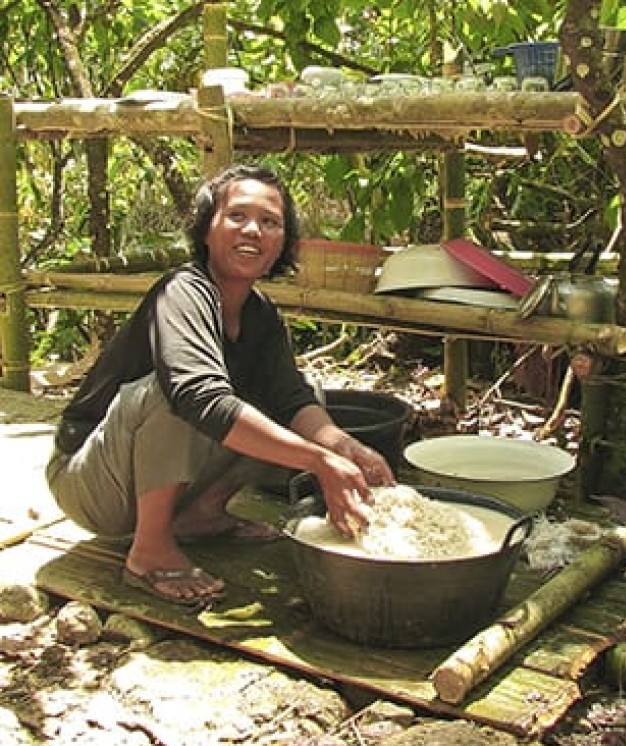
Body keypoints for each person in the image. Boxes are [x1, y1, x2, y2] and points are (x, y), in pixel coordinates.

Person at [46, 163, 394, 607]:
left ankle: (199, 515)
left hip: (148, 474)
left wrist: (345, 447)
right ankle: (149, 551)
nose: (253, 230)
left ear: (282, 243)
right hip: (90, 482)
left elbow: (291, 398)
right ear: (206, 229)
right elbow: (196, 396)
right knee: (172, 394)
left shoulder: (261, 315)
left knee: (307, 406)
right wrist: (320, 462)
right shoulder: (183, 292)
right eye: (238, 216)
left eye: (270, 222)